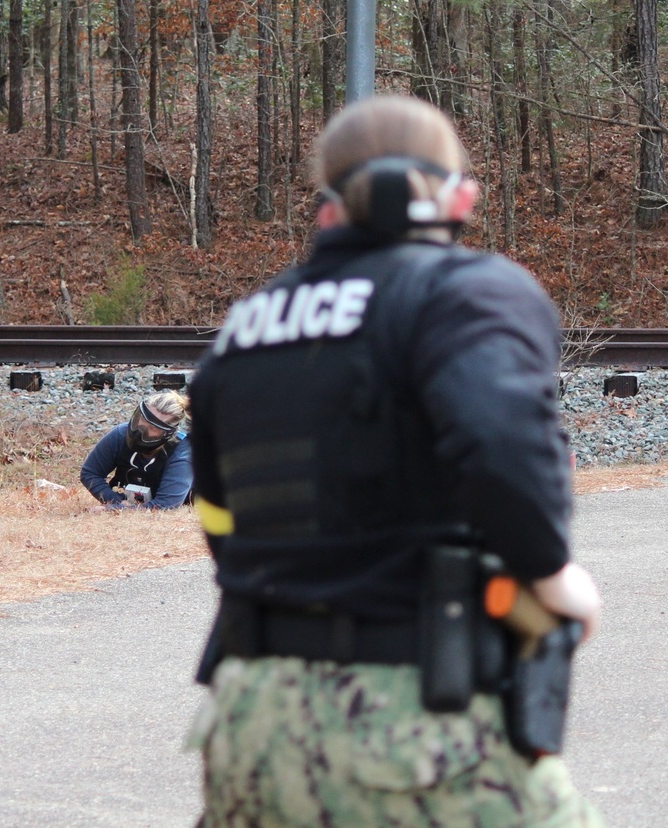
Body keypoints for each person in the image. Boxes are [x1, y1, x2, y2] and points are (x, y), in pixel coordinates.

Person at [186, 95, 604, 826]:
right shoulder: (466, 292)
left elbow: (220, 512)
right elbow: (500, 441)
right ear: (459, 196)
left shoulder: (246, 325)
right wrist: (551, 573)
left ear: (328, 207)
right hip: (408, 721)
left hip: (249, 721)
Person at [80, 389, 193, 510]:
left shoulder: (183, 454)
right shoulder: (120, 435)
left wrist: (114, 509)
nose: (141, 430)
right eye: (142, 420)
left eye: (153, 429)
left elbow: (166, 504)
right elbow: (90, 473)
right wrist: (115, 500)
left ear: (168, 435)